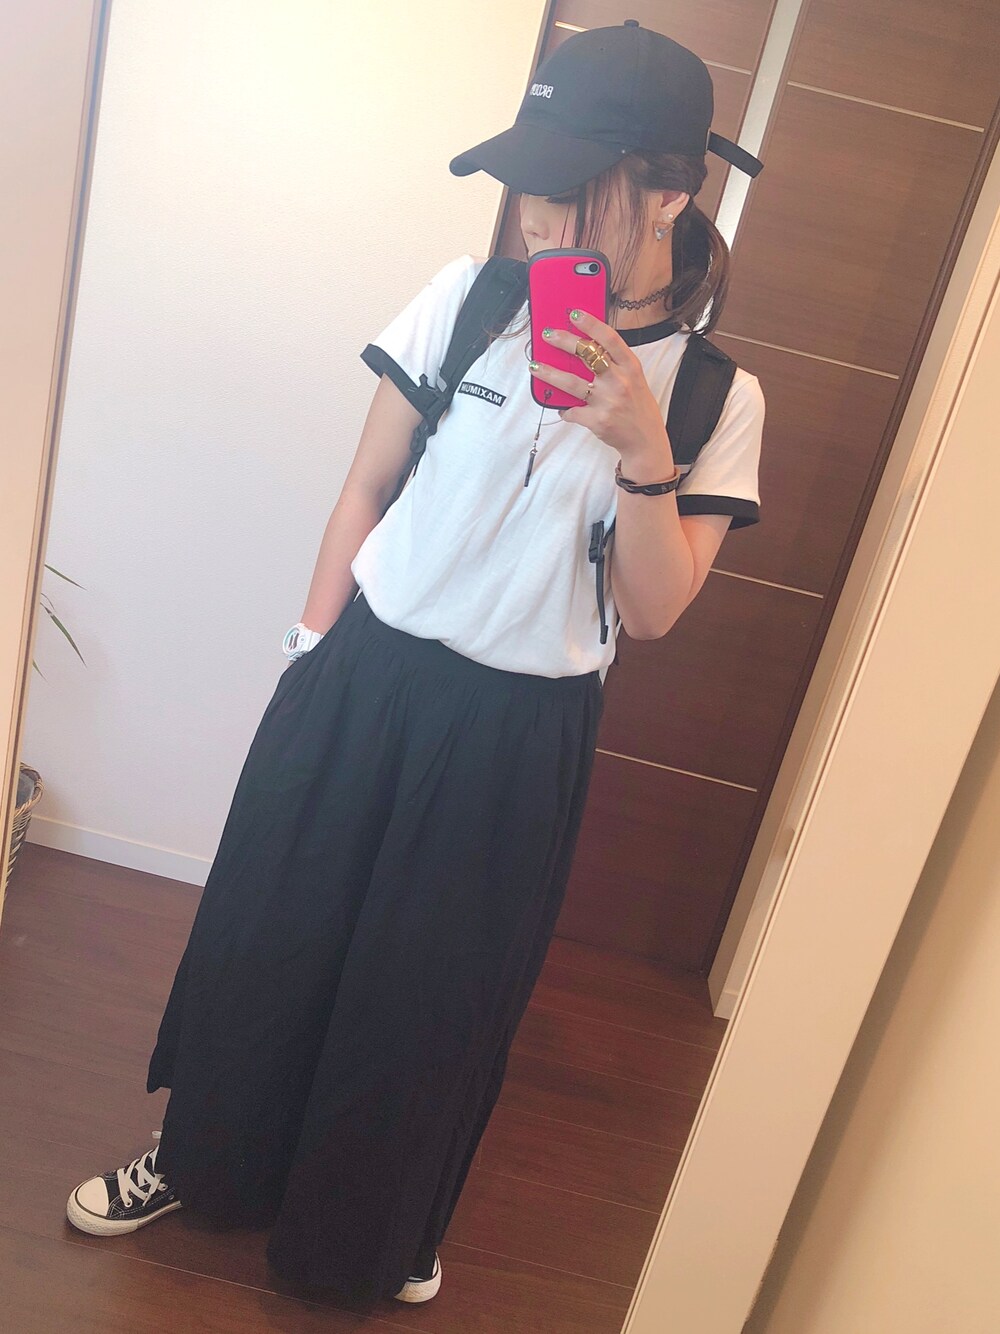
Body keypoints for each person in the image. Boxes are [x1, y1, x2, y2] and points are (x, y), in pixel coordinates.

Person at [65, 20, 765, 1314]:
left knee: (428, 992)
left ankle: (367, 1229)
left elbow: (657, 609)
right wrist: (309, 650)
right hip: (364, 672)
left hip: (518, 728)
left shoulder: (720, 398)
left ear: (672, 191)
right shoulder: (470, 299)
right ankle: (203, 1155)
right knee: (272, 930)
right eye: (527, 184)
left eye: (571, 187)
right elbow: (366, 486)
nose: (537, 218)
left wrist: (643, 448)